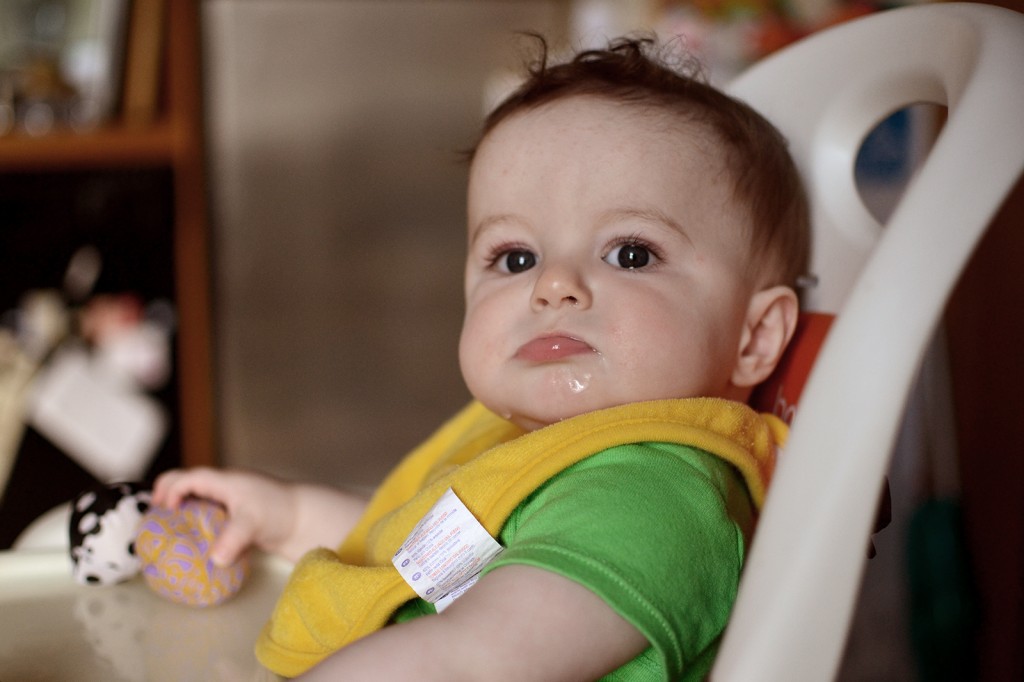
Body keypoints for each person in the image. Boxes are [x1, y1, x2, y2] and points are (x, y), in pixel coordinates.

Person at [154, 35, 810, 681]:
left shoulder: (653, 501)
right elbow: (432, 565)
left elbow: (468, 661)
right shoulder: (547, 456)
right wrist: (291, 516)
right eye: (515, 258)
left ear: (753, 338)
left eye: (630, 253)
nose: (553, 284)